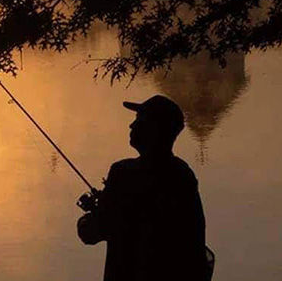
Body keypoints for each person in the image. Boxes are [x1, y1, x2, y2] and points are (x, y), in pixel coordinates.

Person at [76, 95, 210, 281]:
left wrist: (88, 218)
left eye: (139, 120)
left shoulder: (123, 173)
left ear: (154, 129)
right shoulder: (182, 175)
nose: (132, 126)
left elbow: (91, 233)